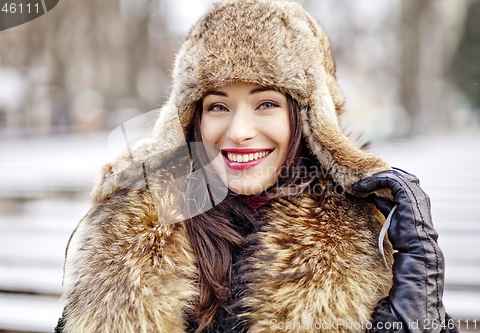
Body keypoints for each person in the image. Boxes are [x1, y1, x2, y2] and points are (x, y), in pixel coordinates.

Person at [55, 0, 458, 332]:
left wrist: (419, 319)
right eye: (218, 106)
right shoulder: (131, 234)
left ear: (308, 120)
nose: (239, 131)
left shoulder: (363, 236)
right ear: (190, 119)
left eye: (266, 103)